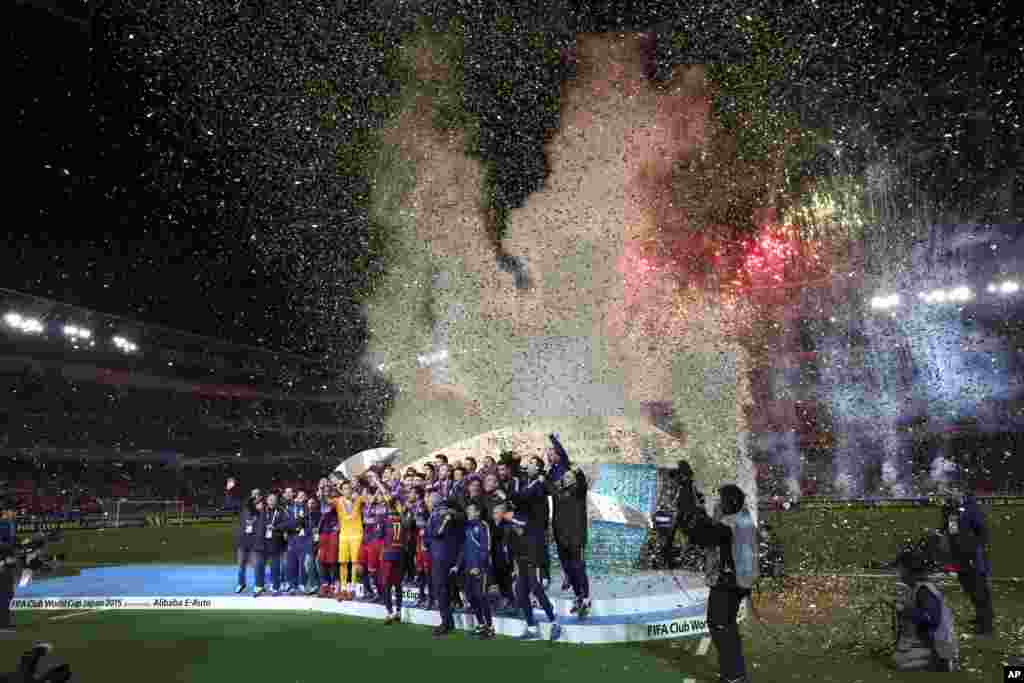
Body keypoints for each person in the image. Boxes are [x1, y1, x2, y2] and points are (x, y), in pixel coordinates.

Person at [675, 468, 757, 683]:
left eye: (720, 502)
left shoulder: (729, 526)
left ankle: (734, 676)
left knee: (721, 626)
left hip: (728, 584)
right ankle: (734, 674)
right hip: (736, 583)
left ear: (729, 504)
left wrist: (689, 500)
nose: (717, 505)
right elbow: (706, 530)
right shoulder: (742, 518)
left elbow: (700, 534)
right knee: (724, 626)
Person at [493, 501, 561, 641]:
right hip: (522, 562)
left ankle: (555, 622)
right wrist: (515, 567)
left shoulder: (519, 518)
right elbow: (513, 547)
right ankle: (531, 628)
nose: (493, 515)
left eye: (496, 512)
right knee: (520, 592)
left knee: (536, 590)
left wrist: (537, 563)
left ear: (504, 512)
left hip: (533, 561)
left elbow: (531, 533)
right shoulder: (506, 526)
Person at [891, 550, 959, 672]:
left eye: (900, 569)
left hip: (941, 646)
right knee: (898, 656)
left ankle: (942, 662)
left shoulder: (924, 590)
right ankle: (935, 658)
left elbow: (932, 619)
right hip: (937, 643)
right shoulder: (919, 587)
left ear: (908, 570)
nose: (899, 573)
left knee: (899, 661)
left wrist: (905, 611)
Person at [941, 485, 994, 635]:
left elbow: (982, 532)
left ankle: (986, 624)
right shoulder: (950, 509)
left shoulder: (971, 507)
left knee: (979, 588)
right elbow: (950, 530)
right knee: (969, 587)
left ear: (960, 491)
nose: (948, 494)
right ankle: (981, 616)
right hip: (960, 556)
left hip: (973, 557)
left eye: (952, 490)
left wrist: (975, 550)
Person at [550, 464, 591, 618]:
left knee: (579, 568)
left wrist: (578, 471)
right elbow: (549, 485)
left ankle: (586, 598)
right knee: (569, 570)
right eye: (564, 477)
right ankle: (578, 597)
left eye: (568, 477)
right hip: (561, 539)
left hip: (576, 538)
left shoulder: (579, 491)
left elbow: (582, 482)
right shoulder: (559, 493)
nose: (565, 479)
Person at [453, 501, 495, 639]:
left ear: (477, 512)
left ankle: (490, 627)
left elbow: (486, 547)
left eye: (471, 511)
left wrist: (479, 566)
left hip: (480, 568)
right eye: (467, 511)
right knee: (470, 597)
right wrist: (458, 565)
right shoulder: (466, 527)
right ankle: (481, 624)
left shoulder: (483, 526)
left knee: (482, 596)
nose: (468, 513)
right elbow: (463, 549)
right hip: (468, 568)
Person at [424, 492, 460, 636]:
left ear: (433, 502)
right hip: (442, 555)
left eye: (427, 500)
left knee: (441, 588)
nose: (426, 503)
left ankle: (446, 622)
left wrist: (426, 540)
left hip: (441, 556)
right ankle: (447, 620)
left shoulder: (441, 513)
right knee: (443, 588)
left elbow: (435, 533)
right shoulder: (439, 513)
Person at [334, 480, 366, 601]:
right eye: (345, 488)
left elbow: (369, 500)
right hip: (343, 536)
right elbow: (325, 501)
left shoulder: (358, 499)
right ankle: (343, 588)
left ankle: (352, 589)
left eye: (349, 488)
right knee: (342, 562)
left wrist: (359, 490)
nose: (347, 490)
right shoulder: (338, 501)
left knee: (355, 563)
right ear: (341, 491)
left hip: (357, 535)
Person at [255, 493, 289, 596]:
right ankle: (259, 586)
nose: (272, 501)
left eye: (274, 499)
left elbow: (286, 524)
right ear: (266, 500)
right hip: (262, 543)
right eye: (270, 499)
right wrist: (256, 497)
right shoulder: (261, 510)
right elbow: (250, 506)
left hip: (275, 542)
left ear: (276, 501)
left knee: (275, 567)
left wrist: (276, 528)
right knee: (259, 565)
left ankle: (275, 588)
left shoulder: (281, 511)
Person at [235, 493, 264, 594]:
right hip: (243, 543)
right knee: (241, 566)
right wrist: (253, 497)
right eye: (257, 503)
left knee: (257, 565)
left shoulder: (262, 514)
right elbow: (247, 504)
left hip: (254, 544)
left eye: (260, 503)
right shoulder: (245, 511)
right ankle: (241, 584)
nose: (260, 505)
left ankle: (258, 585)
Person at [317, 484, 341, 598]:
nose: (325, 493)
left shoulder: (335, 501)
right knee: (321, 559)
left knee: (332, 559)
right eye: (324, 491)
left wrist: (338, 527)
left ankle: (334, 584)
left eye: (328, 491)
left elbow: (334, 509)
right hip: (323, 533)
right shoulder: (322, 502)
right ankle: (325, 584)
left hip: (332, 532)